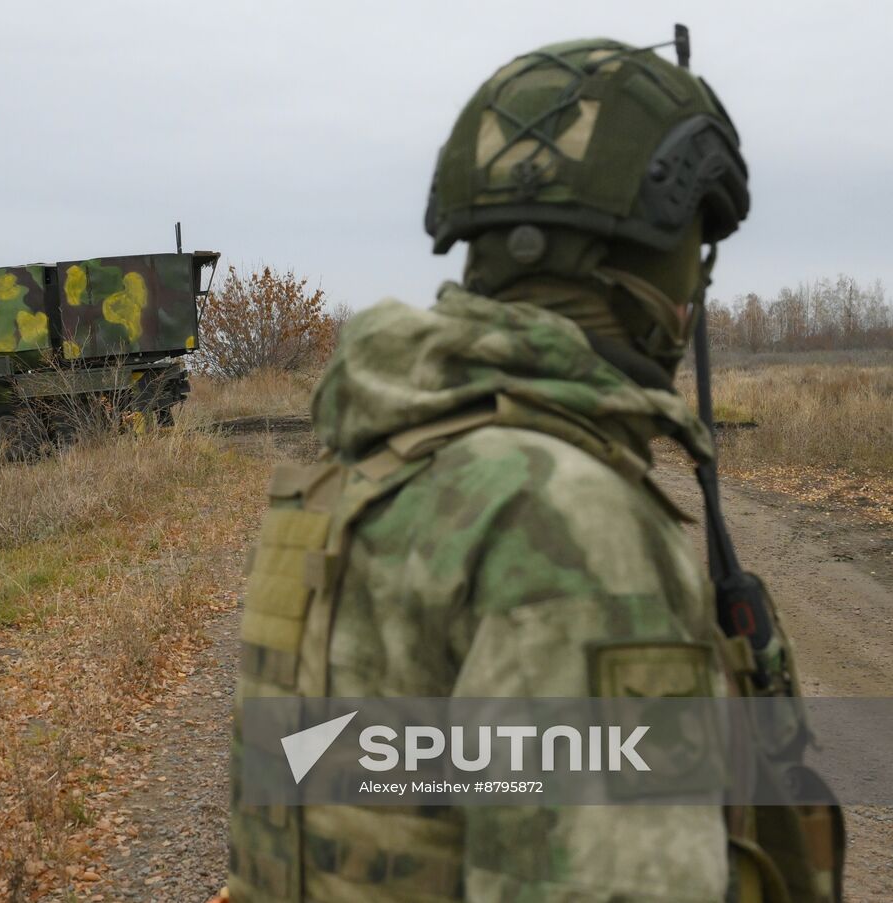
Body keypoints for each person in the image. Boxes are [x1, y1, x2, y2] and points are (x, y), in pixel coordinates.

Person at [223, 37, 842, 902]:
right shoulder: (563, 517)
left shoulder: (355, 474)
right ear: (645, 256)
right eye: (692, 256)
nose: (693, 294)